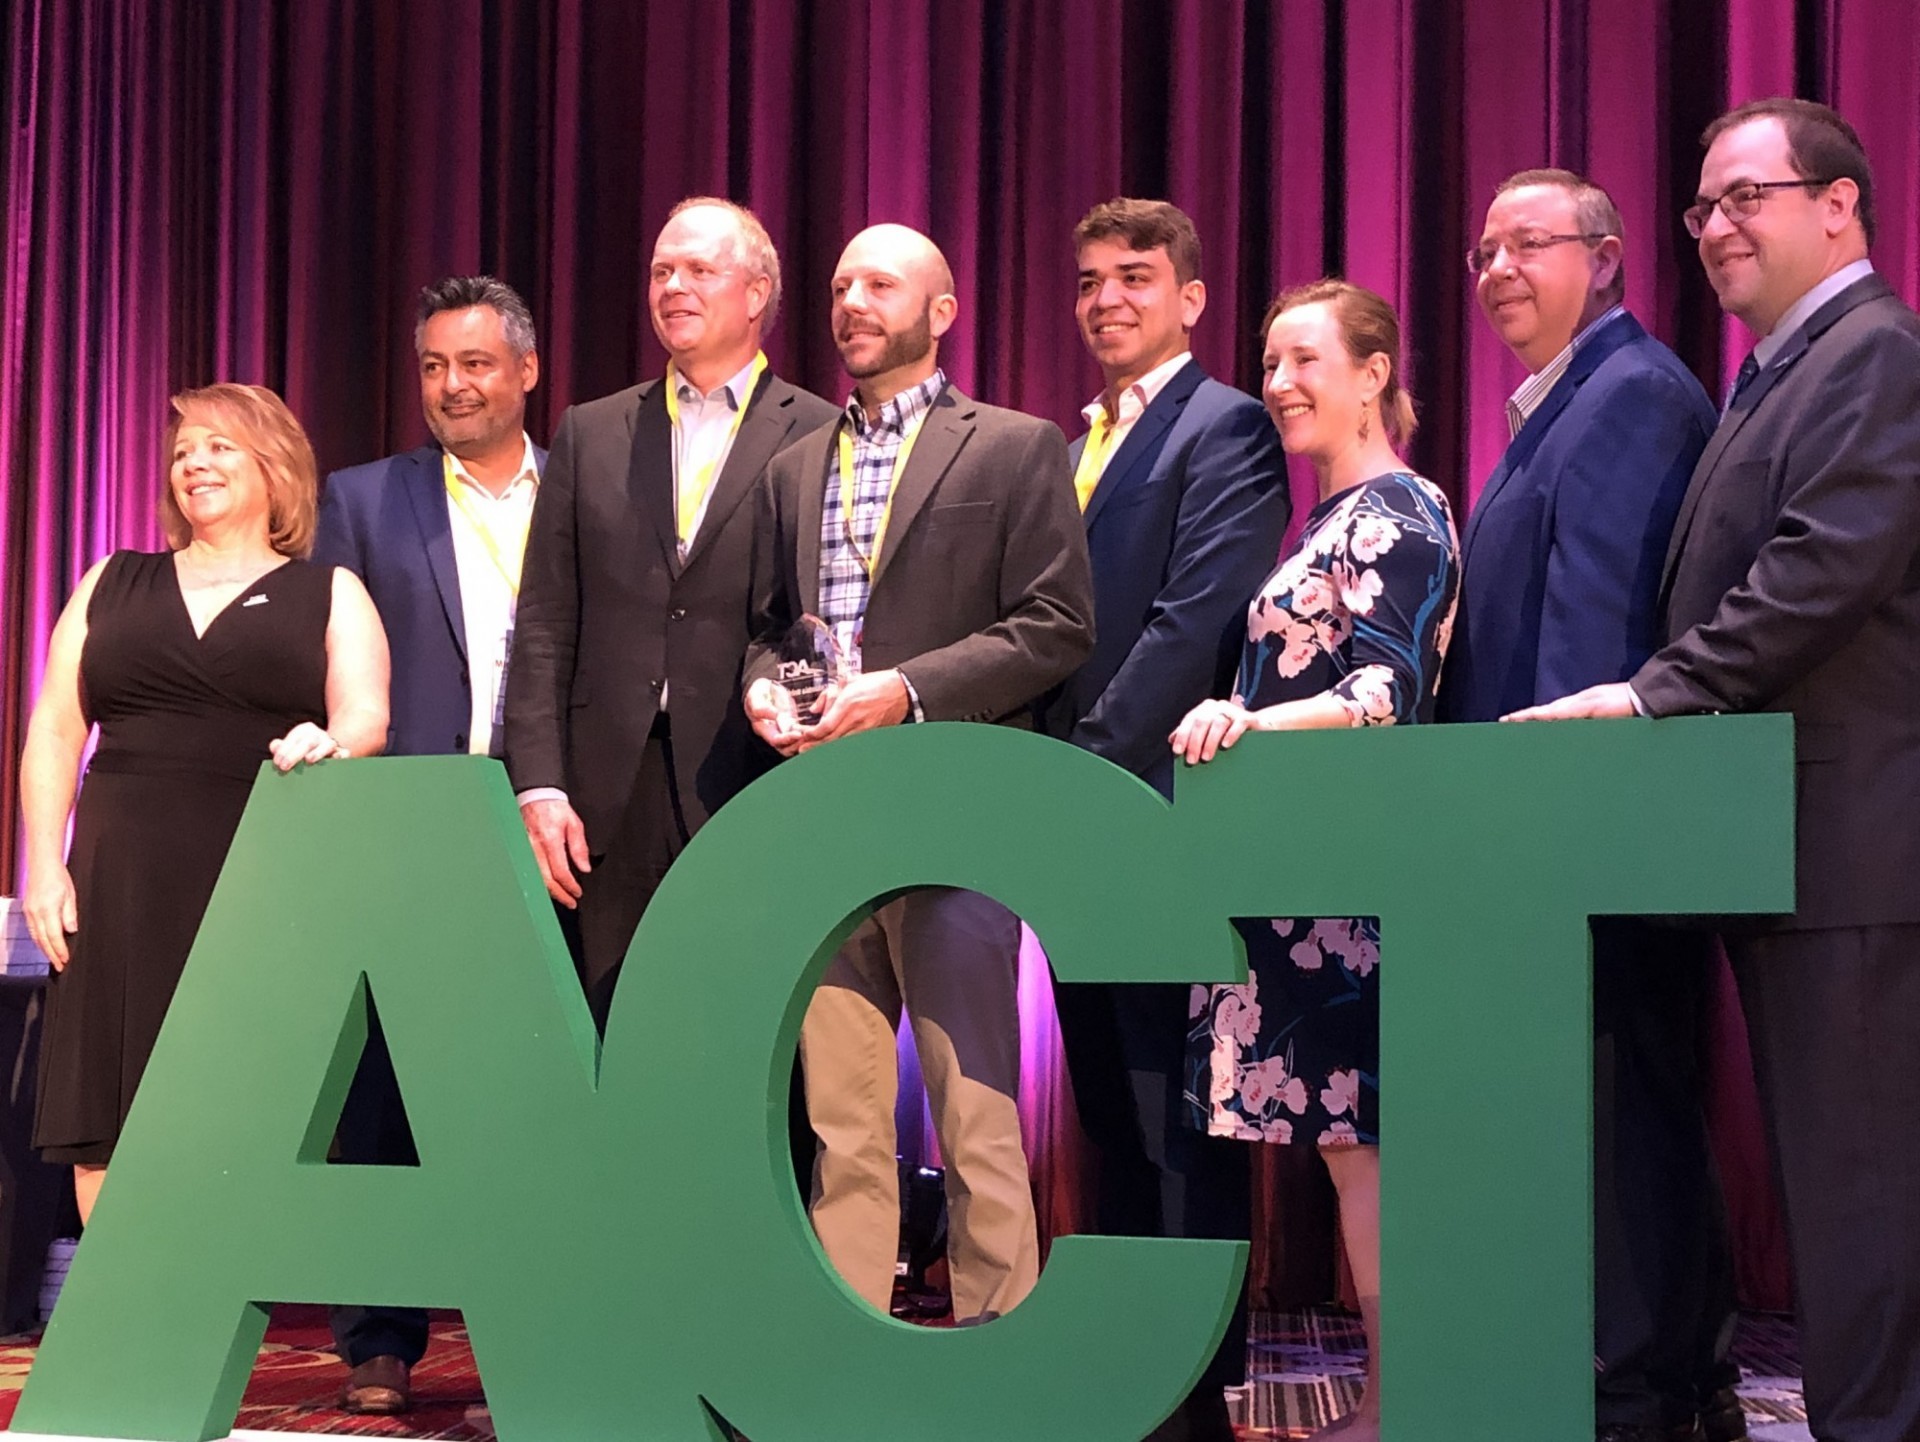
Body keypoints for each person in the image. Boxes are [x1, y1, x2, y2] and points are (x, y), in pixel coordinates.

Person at [1509, 99, 1920, 1442]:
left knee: (1862, 1208)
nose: (1718, 228)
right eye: (1703, 206)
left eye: (1748, 197)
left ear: (1840, 204)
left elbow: (1820, 570)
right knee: (1835, 1202)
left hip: (1852, 845)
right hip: (1778, 838)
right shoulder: (1774, 372)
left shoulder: (1874, 354)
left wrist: (1643, 694)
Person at [743, 223, 1095, 1324]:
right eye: (842, 281)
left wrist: (905, 688)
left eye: (880, 282)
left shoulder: (1014, 445)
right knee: (844, 1119)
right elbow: (767, 628)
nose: (852, 299)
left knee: (976, 1109)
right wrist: (762, 684)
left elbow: (1057, 624)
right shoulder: (794, 466)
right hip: (824, 821)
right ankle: (847, 1355)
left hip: (952, 820)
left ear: (941, 311)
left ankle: (1005, 1362)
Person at [1437, 171, 1739, 1442]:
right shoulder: (1564, 400)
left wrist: (1540, 835)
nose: (1499, 266)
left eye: (1530, 244)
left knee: (1627, 1118)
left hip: (1582, 837)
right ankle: (1657, 1378)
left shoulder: (1626, 396)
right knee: (1610, 1117)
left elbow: (1592, 644)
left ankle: (1645, 1393)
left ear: (1607, 260)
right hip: (1550, 837)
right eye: (1485, 249)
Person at [1173, 281, 1458, 1442]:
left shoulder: (1398, 509)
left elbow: (1387, 694)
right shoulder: (1328, 520)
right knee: (1349, 1155)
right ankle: (1396, 1397)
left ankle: (1403, 1404)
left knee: (1370, 1152)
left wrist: (1248, 723)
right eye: (1269, 361)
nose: (1278, 382)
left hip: (1354, 890)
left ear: (1375, 372)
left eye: (1303, 360)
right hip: (1298, 886)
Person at [1035, 197, 1290, 1442]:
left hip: (1160, 813)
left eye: (1133, 276)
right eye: (1087, 280)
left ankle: (1195, 1380)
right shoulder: (1071, 439)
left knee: (1179, 1109)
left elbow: (1196, 619)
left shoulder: (1226, 425)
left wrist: (1080, 765)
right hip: (1077, 829)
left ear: (1192, 296)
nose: (1106, 299)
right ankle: (1137, 1364)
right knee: (1104, 1100)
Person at [18, 383, 389, 1232]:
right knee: (110, 1112)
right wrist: (44, 864)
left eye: (220, 445)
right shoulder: (113, 579)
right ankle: (126, 1322)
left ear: (276, 467)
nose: (195, 462)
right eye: (185, 450)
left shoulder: (330, 591)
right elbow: (53, 727)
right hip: (118, 879)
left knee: (236, 1101)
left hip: (256, 876)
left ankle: (205, 1327)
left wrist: (334, 741)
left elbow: (366, 716)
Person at [504, 199, 839, 1028]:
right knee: (608, 1039)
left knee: (742, 1034)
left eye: (698, 269)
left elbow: (816, 622)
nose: (673, 286)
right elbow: (546, 619)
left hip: (748, 779)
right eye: (661, 271)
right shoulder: (591, 430)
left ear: (757, 293)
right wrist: (538, 783)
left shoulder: (821, 434)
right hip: (603, 794)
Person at [311, 275, 543, 1414]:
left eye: (476, 364)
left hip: (546, 814)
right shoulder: (361, 499)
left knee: (530, 1081)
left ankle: (536, 1325)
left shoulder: (587, 488)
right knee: (381, 1080)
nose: (453, 386)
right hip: (404, 810)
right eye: (435, 368)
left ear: (526, 373)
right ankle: (379, 1337)